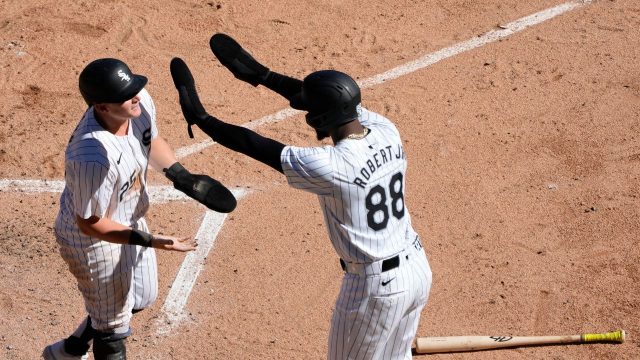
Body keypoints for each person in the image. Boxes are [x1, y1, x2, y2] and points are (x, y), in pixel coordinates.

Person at [170, 33, 433, 359]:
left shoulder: (332, 166)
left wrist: (202, 118)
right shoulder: (384, 129)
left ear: (318, 118)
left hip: (375, 290)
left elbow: (254, 145)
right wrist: (262, 75)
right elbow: (322, 100)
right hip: (417, 269)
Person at [42, 58, 236, 360]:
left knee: (141, 297)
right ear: (102, 107)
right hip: (93, 242)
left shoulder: (139, 102)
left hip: (129, 217)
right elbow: (90, 223)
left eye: (135, 87)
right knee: (113, 329)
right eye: (126, 94)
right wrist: (153, 241)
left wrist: (179, 175)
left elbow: (150, 138)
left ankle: (69, 350)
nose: (137, 95)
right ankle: (88, 343)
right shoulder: (92, 157)